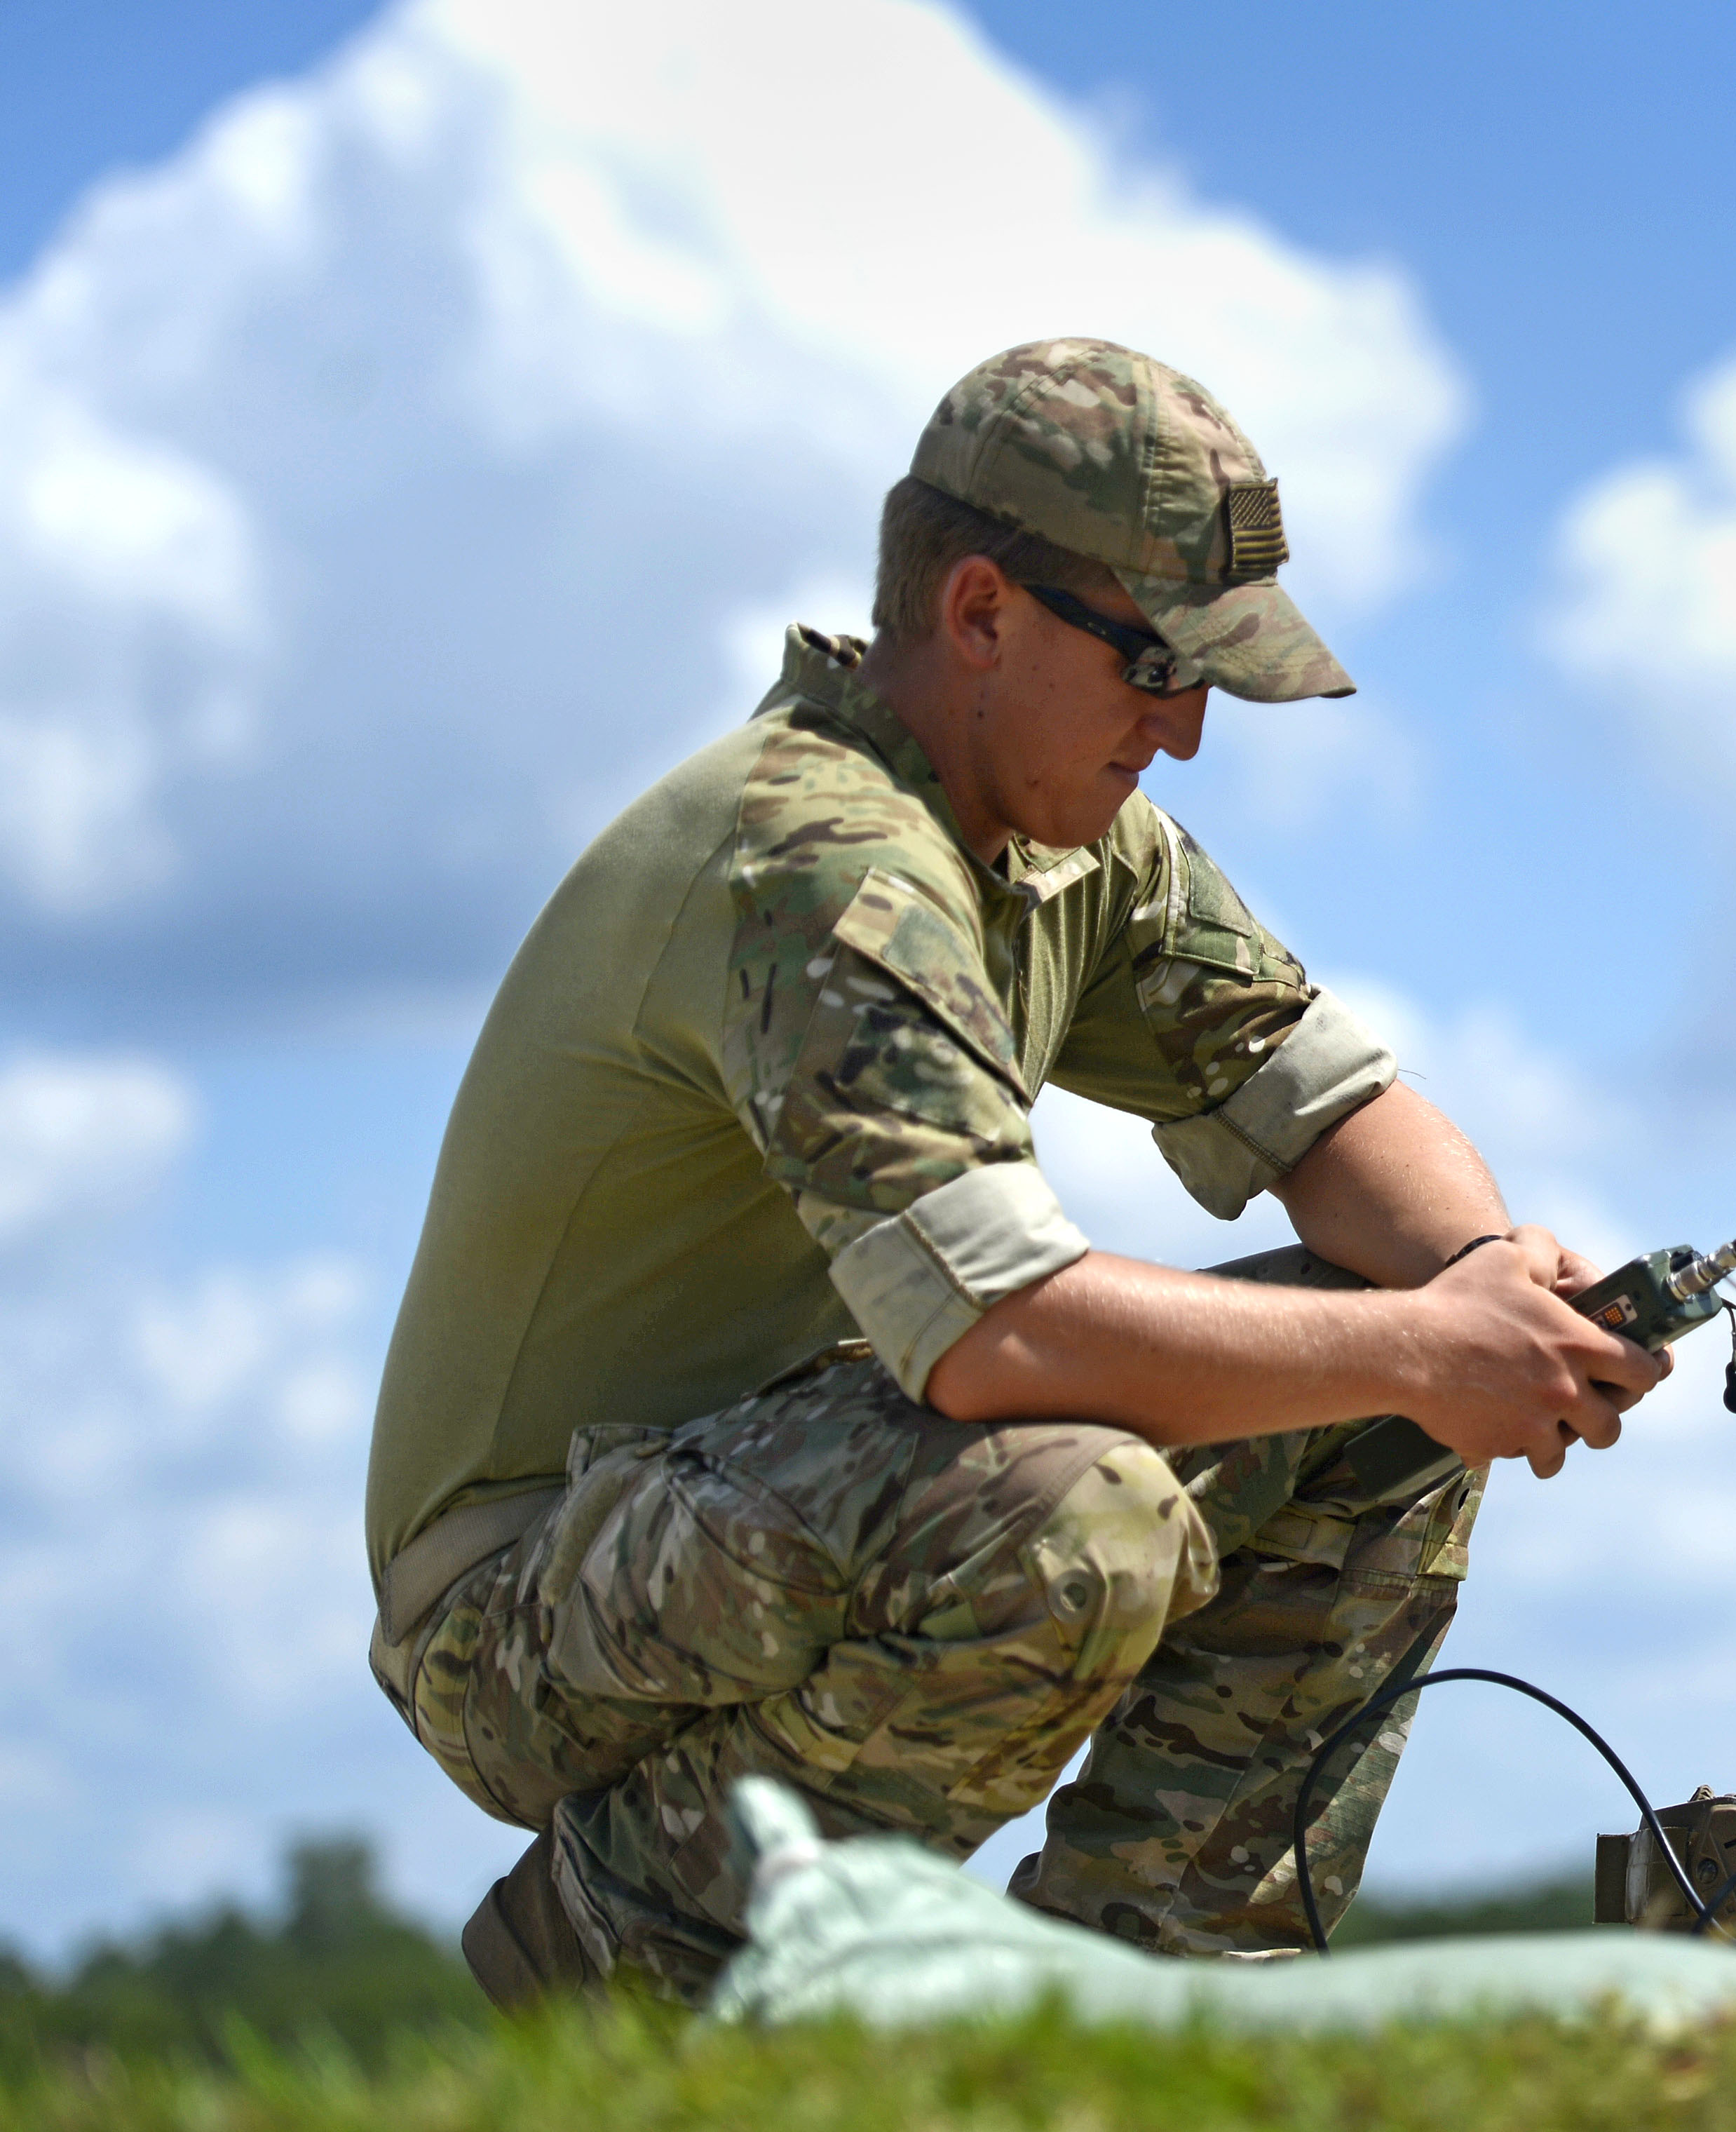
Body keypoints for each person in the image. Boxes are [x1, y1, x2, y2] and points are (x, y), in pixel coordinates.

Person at [361, 338, 1668, 2006]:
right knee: (1078, 1510)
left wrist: (1488, 1286)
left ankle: (1161, 2001)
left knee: (1388, 1374)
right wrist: (1430, 1343)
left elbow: (1334, 1113)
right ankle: (648, 1956)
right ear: (980, 612)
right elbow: (999, 1339)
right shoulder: (823, 861)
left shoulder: (1066, 841)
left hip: (786, 1499)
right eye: (1152, 664)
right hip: (522, 1605)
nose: (1184, 732)